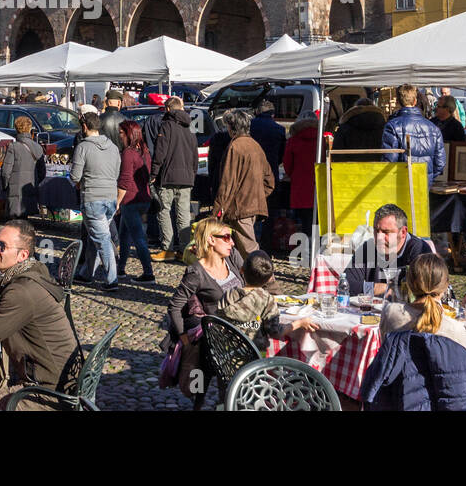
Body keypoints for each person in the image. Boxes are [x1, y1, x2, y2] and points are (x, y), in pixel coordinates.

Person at [0, 220, 77, 395]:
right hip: (49, 378)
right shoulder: (31, 272)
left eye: (2, 246)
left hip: (50, 391)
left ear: (22, 255)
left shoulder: (22, 291)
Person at [163, 219, 243, 403]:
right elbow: (174, 306)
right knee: (227, 381)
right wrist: (185, 340)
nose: (232, 242)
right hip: (219, 338)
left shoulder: (231, 258)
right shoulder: (196, 273)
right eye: (226, 237)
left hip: (243, 328)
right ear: (211, 240)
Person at [380, 253, 466, 365]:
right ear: (446, 285)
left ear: (409, 282)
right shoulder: (453, 328)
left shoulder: (389, 313)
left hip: (399, 380)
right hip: (442, 382)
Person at [215, 251, 319, 349]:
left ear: (242, 270)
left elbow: (218, 323)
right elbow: (276, 332)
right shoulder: (266, 300)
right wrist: (300, 323)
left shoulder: (228, 294)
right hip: (254, 359)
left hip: (227, 354)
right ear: (269, 278)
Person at [70, 110, 122, 290]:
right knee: (96, 237)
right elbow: (116, 174)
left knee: (103, 240)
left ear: (84, 126)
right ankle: (86, 273)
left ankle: (112, 280)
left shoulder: (83, 147)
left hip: (93, 198)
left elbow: (75, 176)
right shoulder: (113, 147)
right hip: (110, 198)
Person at [214, 108, 273, 256]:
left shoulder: (236, 146)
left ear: (232, 127)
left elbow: (227, 183)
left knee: (249, 249)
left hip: (241, 207)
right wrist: (257, 195)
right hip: (249, 205)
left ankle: (265, 278)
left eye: (228, 126)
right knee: (237, 251)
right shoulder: (255, 145)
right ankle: (244, 278)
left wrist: (217, 210)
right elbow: (269, 181)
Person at [345, 203, 434, 297]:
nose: (379, 237)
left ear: (403, 232)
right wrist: (386, 288)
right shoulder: (369, 248)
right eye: (376, 230)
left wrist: (368, 289)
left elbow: (422, 291)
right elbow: (346, 284)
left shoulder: (420, 250)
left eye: (386, 232)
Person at [151, 97, 197, 261]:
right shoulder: (190, 127)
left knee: (164, 211)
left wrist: (154, 173)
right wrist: (193, 173)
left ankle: (168, 249)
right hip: (186, 178)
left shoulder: (167, 125)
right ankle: (185, 251)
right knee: (183, 214)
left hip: (168, 176)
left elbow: (160, 153)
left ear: (168, 109)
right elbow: (195, 154)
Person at [382, 84, 446, 185]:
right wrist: (427, 177)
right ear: (415, 101)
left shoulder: (392, 126)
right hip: (423, 183)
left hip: (400, 183)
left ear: (398, 102)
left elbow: (389, 161)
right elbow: (440, 163)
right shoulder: (433, 128)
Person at [116, 119, 155, 283]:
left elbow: (124, 181)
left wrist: (117, 202)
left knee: (138, 237)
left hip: (130, 199)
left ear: (128, 133)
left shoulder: (128, 153)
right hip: (143, 198)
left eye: (121, 132)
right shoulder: (144, 151)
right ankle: (121, 269)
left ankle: (148, 273)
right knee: (124, 234)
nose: (119, 135)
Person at [280, 115, 319, 238]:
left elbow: (287, 165)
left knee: (303, 221)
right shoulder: (321, 140)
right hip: (318, 185)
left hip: (300, 186)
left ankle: (304, 247)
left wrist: (295, 175)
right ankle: (316, 246)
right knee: (317, 220)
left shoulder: (293, 140)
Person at [0, 115, 44, 219]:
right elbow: (42, 171)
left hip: (15, 188)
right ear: (29, 128)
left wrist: (6, 186)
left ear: (16, 128)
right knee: (25, 220)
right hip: (30, 186)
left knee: (14, 221)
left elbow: (5, 172)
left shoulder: (13, 147)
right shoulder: (38, 147)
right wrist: (35, 182)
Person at [249, 100, 287, 180]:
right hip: (271, 169)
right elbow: (282, 153)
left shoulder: (248, 127)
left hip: (251, 170)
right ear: (272, 114)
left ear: (257, 111)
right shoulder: (280, 129)